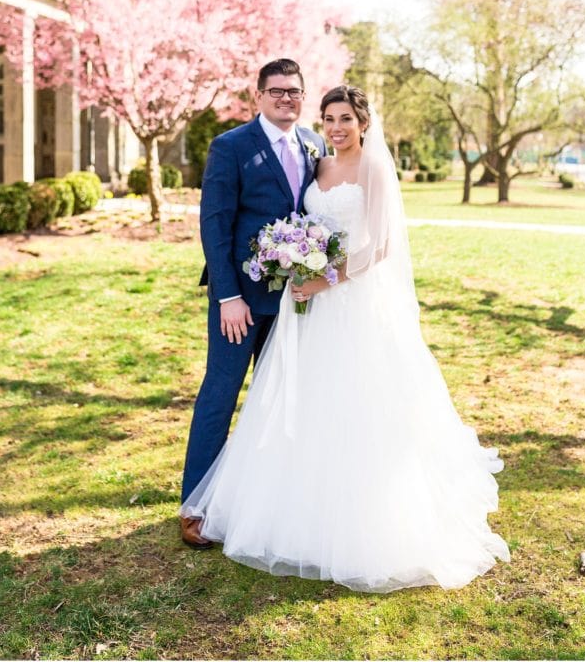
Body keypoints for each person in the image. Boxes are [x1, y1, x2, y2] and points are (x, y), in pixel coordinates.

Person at [181, 85, 510, 591]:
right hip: (305, 307)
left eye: (346, 118)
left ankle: (356, 519)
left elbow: (379, 246)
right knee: (301, 401)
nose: (337, 127)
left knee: (355, 405)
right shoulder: (319, 162)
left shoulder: (374, 169)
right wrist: (289, 260)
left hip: (351, 303)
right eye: (330, 117)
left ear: (363, 122)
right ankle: (282, 505)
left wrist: (324, 278)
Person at [180, 59, 326, 548]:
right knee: (221, 394)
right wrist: (227, 296)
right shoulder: (231, 146)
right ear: (259, 96)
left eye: (295, 92)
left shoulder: (315, 144)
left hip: (293, 302)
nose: (287, 99)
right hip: (239, 302)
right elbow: (214, 224)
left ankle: (264, 502)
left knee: (278, 399)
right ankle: (195, 506)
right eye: (278, 91)